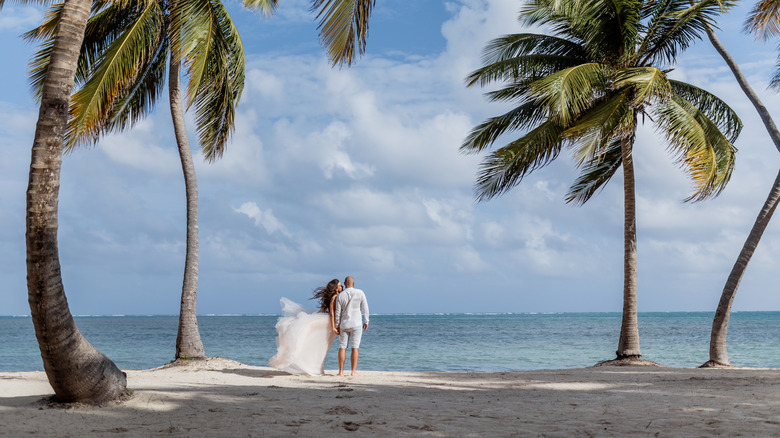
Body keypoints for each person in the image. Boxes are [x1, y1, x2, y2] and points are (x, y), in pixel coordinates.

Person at [268, 279, 342, 376]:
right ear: (336, 288)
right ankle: (315, 368)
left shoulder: (334, 297)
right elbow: (332, 314)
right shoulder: (335, 297)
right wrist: (333, 327)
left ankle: (315, 368)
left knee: (319, 345)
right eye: (340, 286)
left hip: (328, 321)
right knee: (322, 346)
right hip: (329, 322)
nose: (342, 287)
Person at [334, 276, 369, 376]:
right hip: (356, 324)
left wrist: (337, 325)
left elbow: (338, 313)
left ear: (345, 284)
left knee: (342, 347)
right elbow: (365, 307)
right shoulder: (360, 292)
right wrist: (366, 321)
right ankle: (353, 371)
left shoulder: (340, 296)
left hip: (344, 324)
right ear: (353, 284)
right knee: (355, 347)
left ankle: (340, 371)